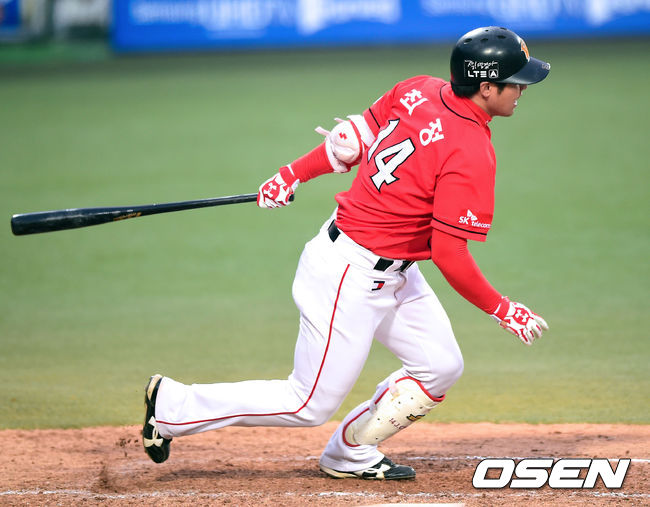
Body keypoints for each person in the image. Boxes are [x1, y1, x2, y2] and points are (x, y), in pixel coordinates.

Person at [142, 26, 550, 480]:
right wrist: (501, 309)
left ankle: (349, 453)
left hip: (393, 272)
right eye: (515, 82)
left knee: (439, 366)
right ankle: (173, 406)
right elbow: (449, 252)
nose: (522, 90)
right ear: (486, 87)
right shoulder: (471, 148)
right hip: (347, 275)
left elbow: (350, 140)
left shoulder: (417, 88)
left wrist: (291, 174)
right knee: (307, 403)